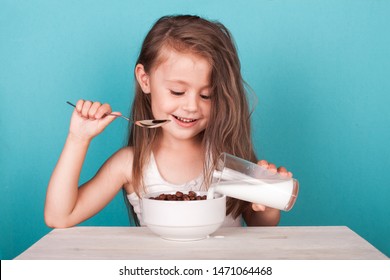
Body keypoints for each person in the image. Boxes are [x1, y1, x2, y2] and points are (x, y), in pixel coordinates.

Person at [44, 15, 293, 229]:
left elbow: (260, 224)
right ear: (145, 79)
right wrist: (78, 139)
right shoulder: (130, 165)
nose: (192, 106)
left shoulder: (225, 157)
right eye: (177, 91)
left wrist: (268, 205)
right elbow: (59, 217)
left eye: (207, 95)